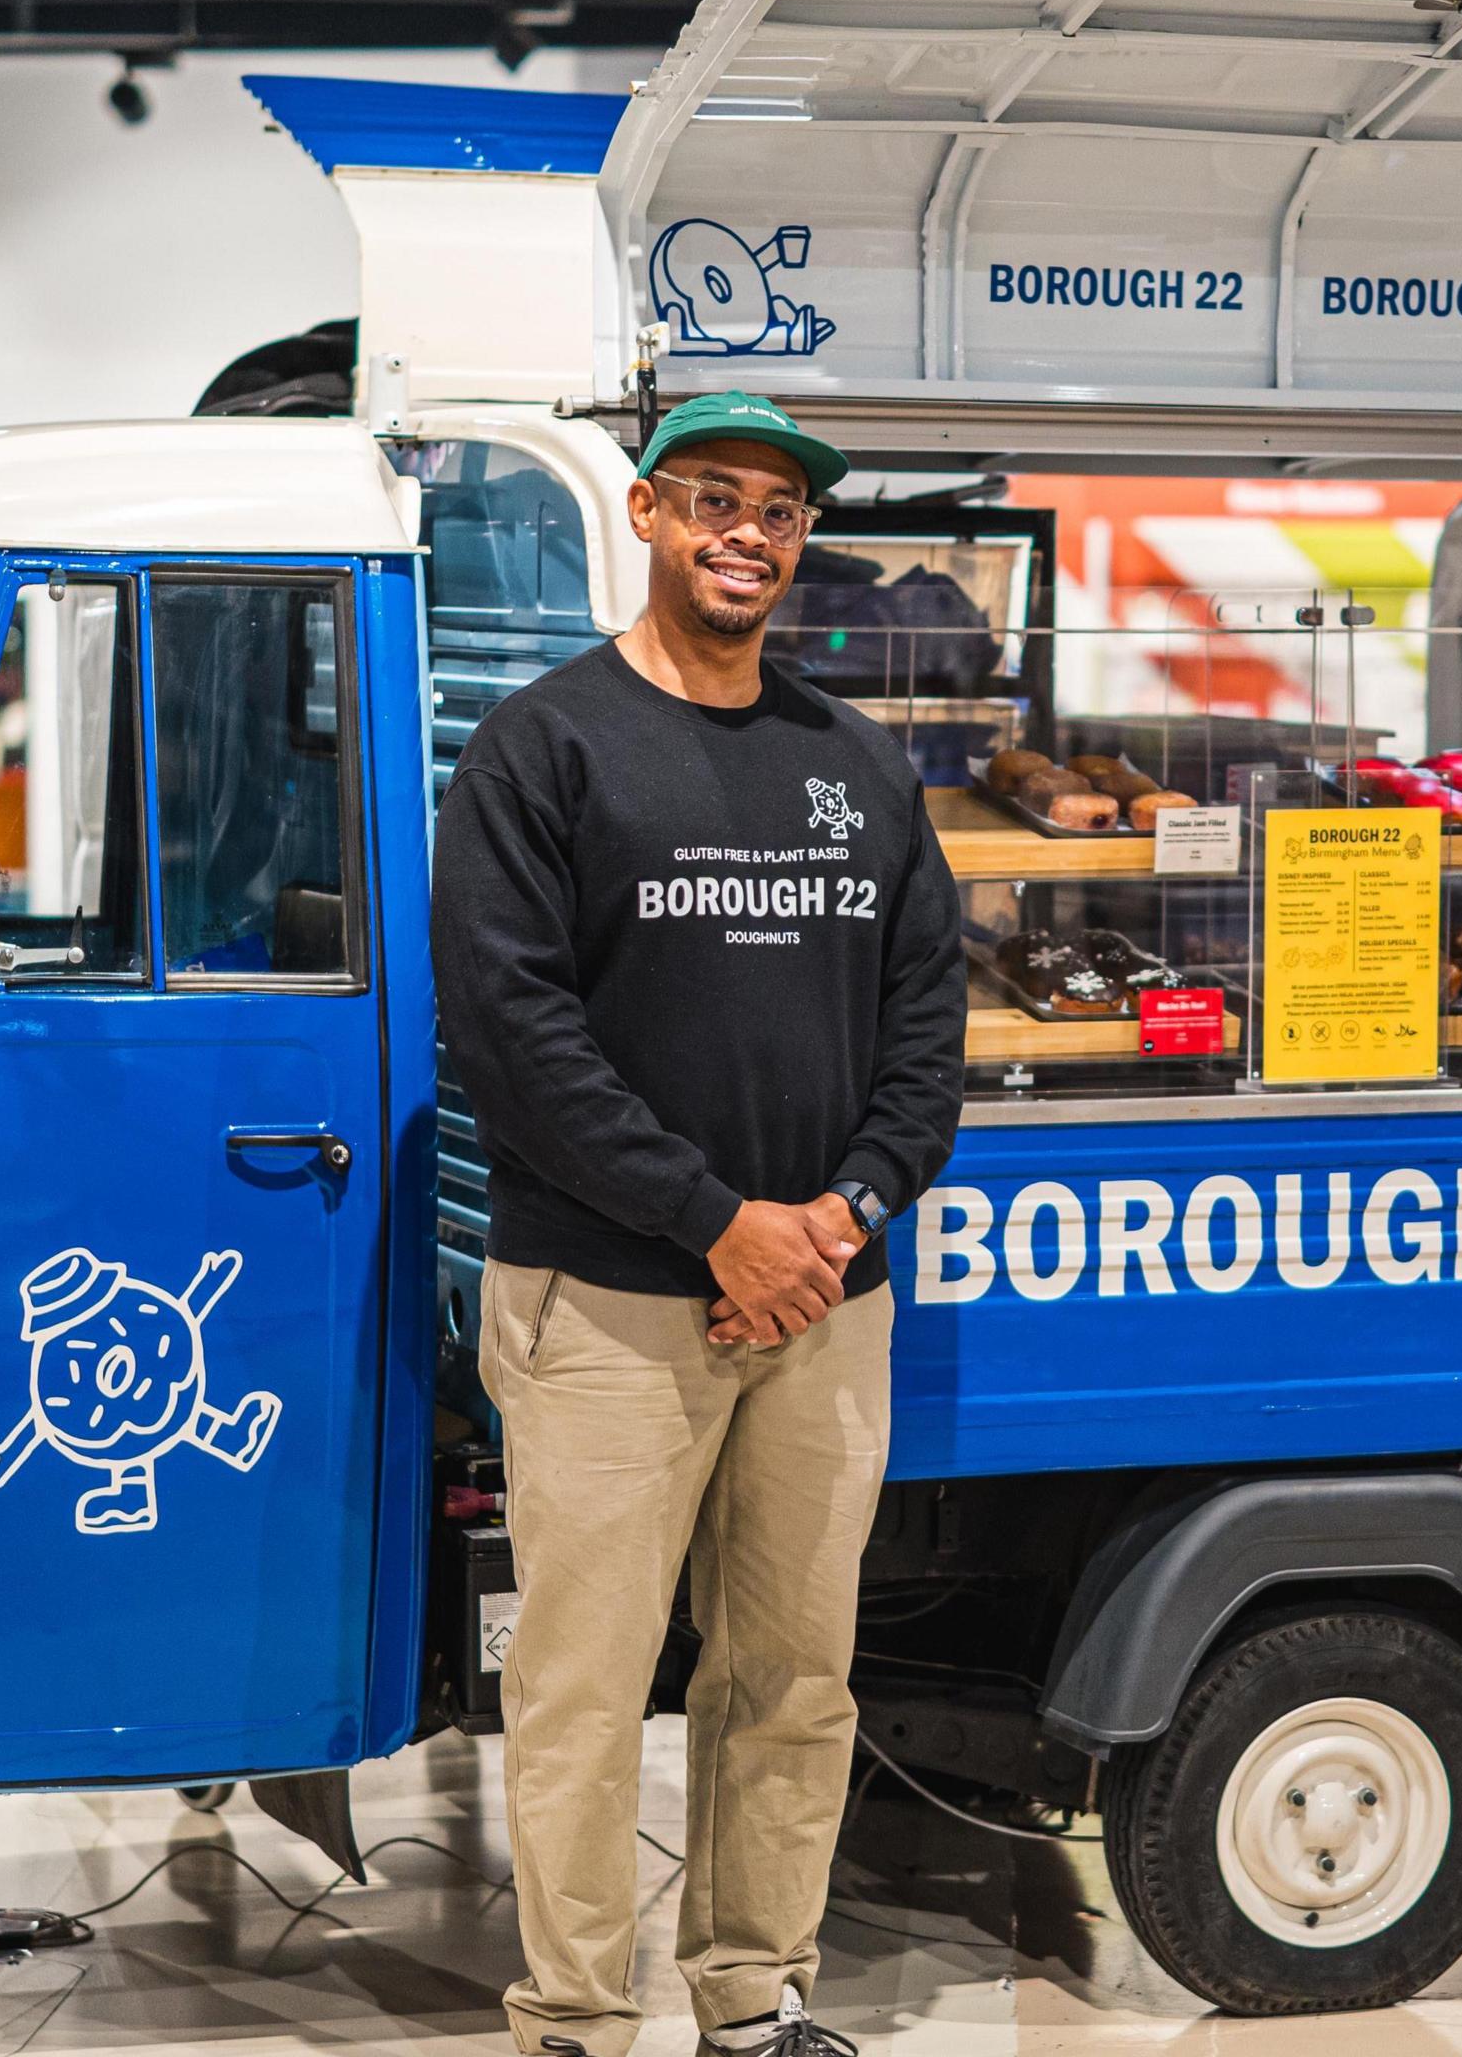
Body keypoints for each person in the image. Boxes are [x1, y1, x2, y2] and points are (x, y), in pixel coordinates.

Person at [433, 391, 965, 2057]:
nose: (750, 532)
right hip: (604, 1307)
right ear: (653, 517)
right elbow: (516, 1042)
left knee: (794, 1682)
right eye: (717, 500)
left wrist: (832, 1221)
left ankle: (748, 2000)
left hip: (823, 1305)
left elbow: (928, 1040)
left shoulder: (855, 765)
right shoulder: (545, 747)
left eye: (782, 512)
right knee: (584, 1696)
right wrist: (716, 1221)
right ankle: (579, 2022)